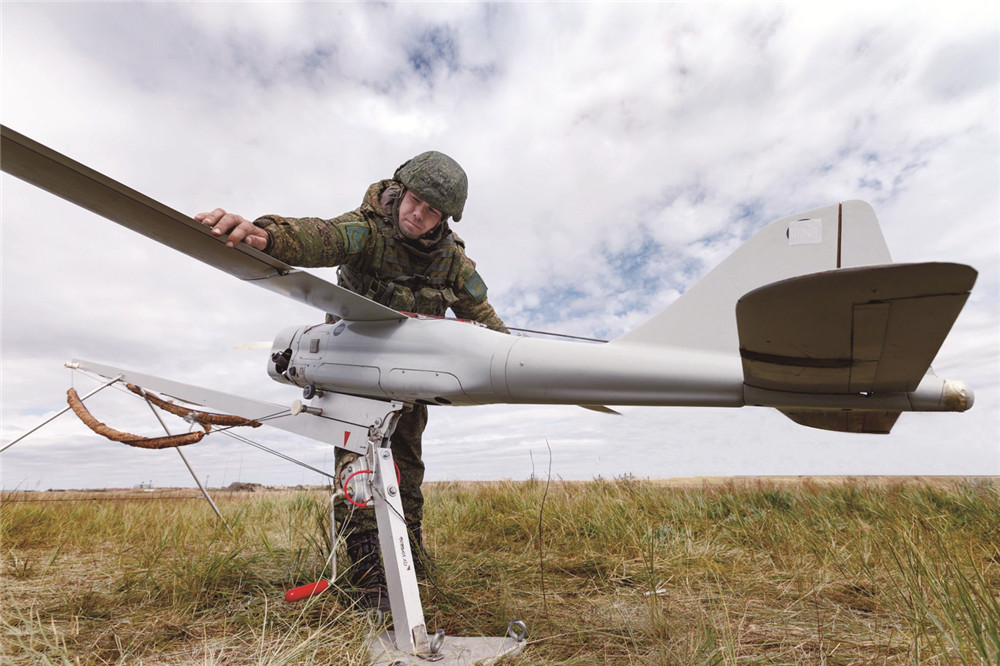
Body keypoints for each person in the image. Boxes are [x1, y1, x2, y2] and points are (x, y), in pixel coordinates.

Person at [196, 151, 507, 611]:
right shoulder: (369, 229)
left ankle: (408, 557)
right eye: (415, 201)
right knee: (359, 471)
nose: (417, 215)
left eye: (432, 211)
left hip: (406, 383)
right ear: (402, 191)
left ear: (444, 217)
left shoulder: (453, 263)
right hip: (355, 378)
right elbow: (321, 237)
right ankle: (367, 572)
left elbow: (489, 328)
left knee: (408, 473)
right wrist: (265, 237)